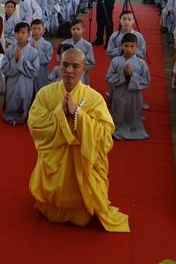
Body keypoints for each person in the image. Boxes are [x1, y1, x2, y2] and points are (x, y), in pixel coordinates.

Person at [27, 48, 129, 232]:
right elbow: (35, 124)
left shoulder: (94, 98)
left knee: (81, 199)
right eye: (65, 65)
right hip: (55, 159)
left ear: (84, 69)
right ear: (59, 65)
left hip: (81, 162)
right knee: (54, 195)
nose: (69, 70)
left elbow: (106, 135)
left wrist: (78, 115)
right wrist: (60, 113)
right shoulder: (45, 93)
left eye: (75, 66)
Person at [105, 33, 150, 140]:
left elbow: (146, 81)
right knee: (119, 112)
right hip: (119, 93)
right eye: (126, 46)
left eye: (132, 46)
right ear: (121, 46)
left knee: (133, 112)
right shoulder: (116, 61)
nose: (129, 49)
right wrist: (123, 74)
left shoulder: (141, 63)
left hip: (134, 95)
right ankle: (117, 128)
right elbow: (109, 78)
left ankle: (134, 129)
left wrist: (132, 75)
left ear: (136, 47)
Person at [1, 22, 40, 125]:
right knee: (11, 99)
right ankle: (10, 116)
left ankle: (24, 116)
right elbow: (4, 68)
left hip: (26, 82)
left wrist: (21, 60)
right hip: (12, 81)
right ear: (14, 34)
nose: (20, 35)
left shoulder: (34, 52)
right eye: (17, 32)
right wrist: (14, 61)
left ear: (29, 34)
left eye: (23, 32)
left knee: (25, 98)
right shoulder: (10, 49)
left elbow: (34, 71)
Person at [61, 19, 95, 85]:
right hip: (67, 73)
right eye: (73, 29)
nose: (76, 31)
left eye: (78, 29)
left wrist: (79, 66)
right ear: (70, 30)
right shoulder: (64, 43)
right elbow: (59, 59)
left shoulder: (87, 45)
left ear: (83, 30)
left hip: (81, 75)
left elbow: (91, 63)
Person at [30, 19, 53, 91]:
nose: (36, 31)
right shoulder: (28, 43)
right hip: (29, 71)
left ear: (43, 30)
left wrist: (36, 50)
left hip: (41, 72)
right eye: (34, 28)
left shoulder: (47, 44)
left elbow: (47, 59)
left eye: (39, 28)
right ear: (31, 30)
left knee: (41, 91)